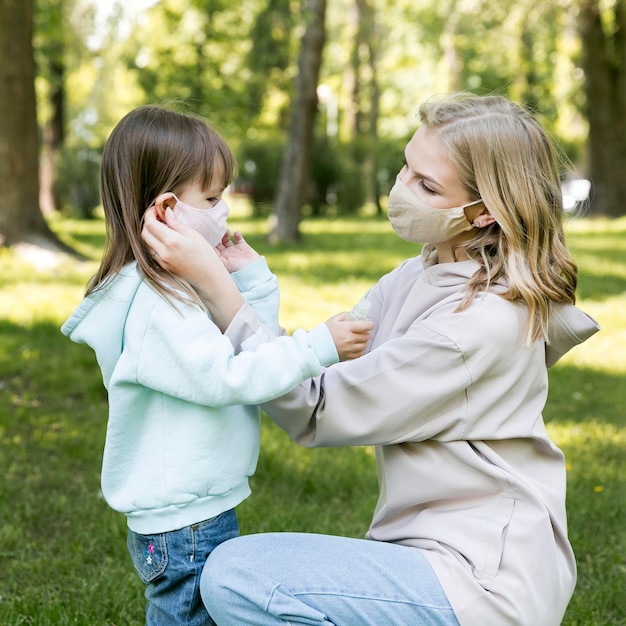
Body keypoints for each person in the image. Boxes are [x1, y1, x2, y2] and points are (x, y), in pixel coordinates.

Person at [140, 94, 600, 626]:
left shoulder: (477, 326)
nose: (403, 187)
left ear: (485, 212)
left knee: (238, 576)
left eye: (427, 186)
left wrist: (216, 287)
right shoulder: (418, 274)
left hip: (481, 583)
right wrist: (246, 279)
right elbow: (312, 366)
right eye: (407, 166)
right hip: (429, 556)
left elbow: (315, 409)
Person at [61, 104, 372, 626]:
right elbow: (231, 377)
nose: (224, 209)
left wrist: (248, 283)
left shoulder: (174, 288)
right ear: (166, 211)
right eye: (212, 198)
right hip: (185, 519)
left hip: (198, 504)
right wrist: (319, 347)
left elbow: (249, 347)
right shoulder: (159, 305)